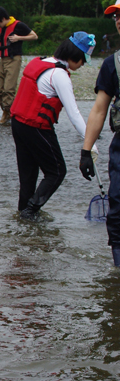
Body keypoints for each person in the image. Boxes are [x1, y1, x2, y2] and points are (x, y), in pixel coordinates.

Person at [11, 32, 93, 220]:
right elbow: (74, 114)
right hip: (35, 126)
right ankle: (31, 211)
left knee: (28, 175)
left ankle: (23, 215)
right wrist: (91, 145)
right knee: (57, 171)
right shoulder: (60, 75)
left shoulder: (40, 62)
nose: (83, 65)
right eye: (83, 60)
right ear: (74, 55)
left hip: (18, 124)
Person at [81, 2, 120, 267]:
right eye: (116, 16)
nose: (118, 19)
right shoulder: (112, 63)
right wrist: (86, 150)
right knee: (117, 210)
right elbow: (99, 109)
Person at [0, 6, 37, 126]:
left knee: (8, 89)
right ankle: (9, 112)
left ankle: (8, 113)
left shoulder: (18, 26)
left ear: (2, 19)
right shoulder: (1, 28)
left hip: (13, 59)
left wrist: (19, 38)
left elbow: (34, 36)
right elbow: (1, 42)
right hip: (2, 59)